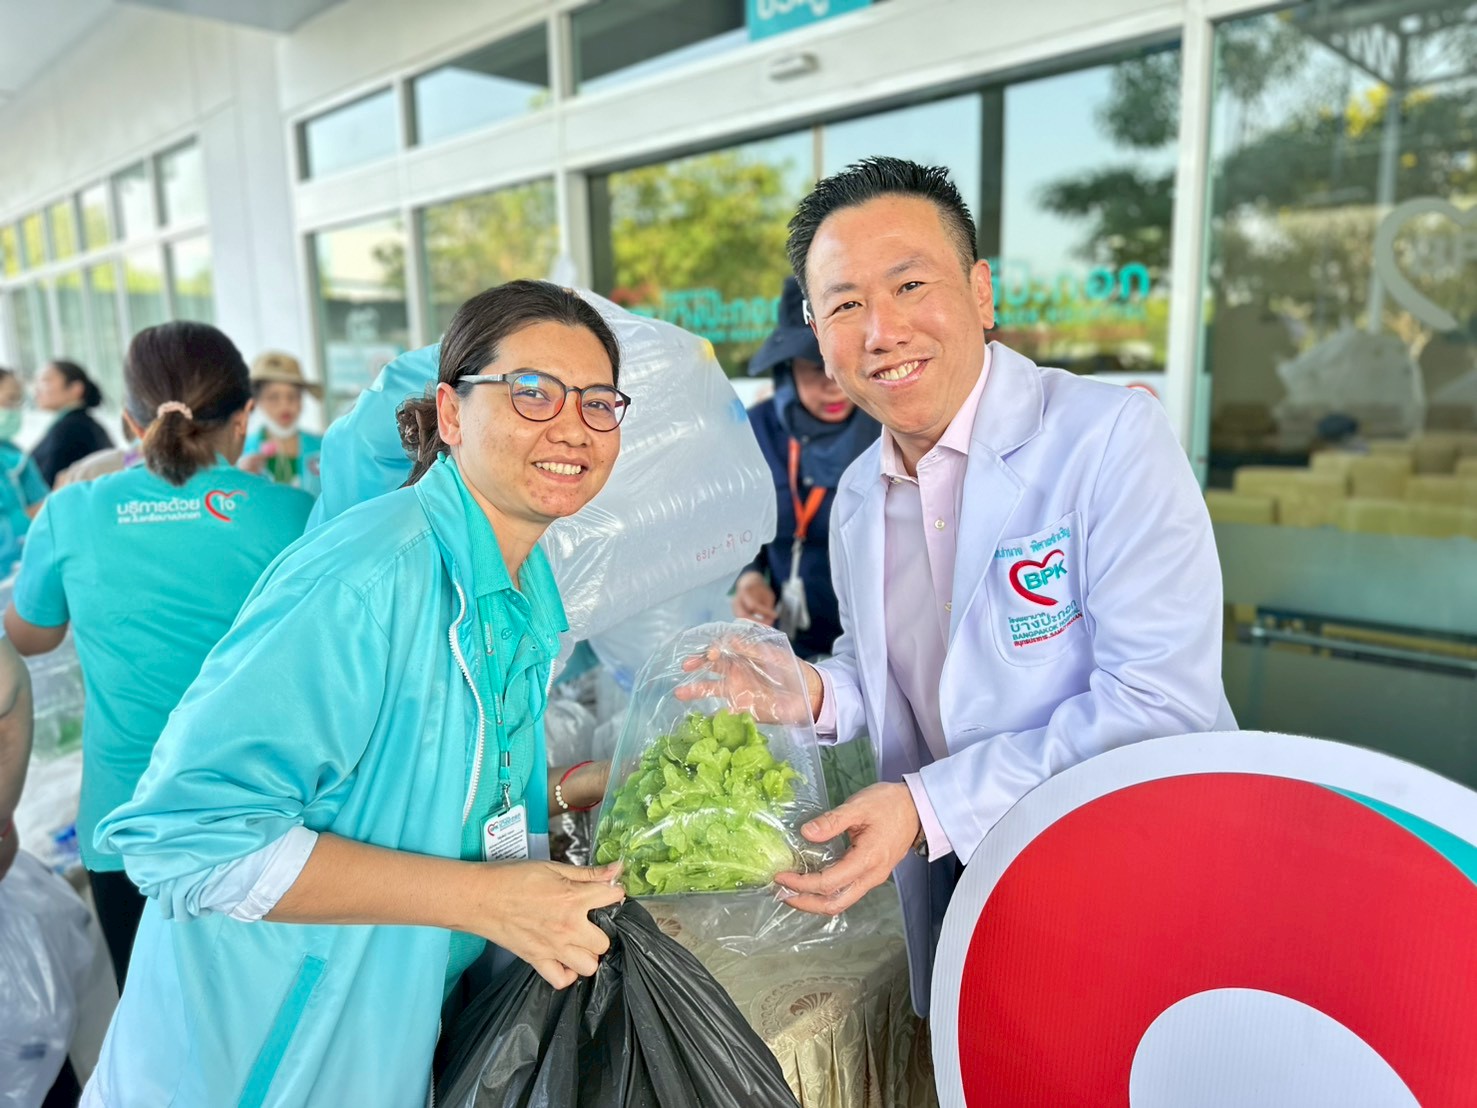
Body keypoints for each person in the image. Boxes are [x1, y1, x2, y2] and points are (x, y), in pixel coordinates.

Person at [684, 157, 1235, 1016]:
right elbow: (892, 668)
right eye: (844, 305)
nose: (882, 331)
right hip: (974, 887)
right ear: (816, 334)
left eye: (910, 285)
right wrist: (815, 692)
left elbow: (1160, 703)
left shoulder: (1107, 439)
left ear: (980, 293)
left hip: (1128, 869)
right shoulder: (858, 496)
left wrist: (925, 804)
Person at [82, 282, 628, 1106]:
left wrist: (563, 791)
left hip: (379, 1045)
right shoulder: (368, 578)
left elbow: (419, 792)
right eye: (531, 391)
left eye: (598, 402)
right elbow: (188, 840)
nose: (571, 426)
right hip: (251, 1066)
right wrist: (487, 900)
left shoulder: (518, 588)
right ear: (451, 413)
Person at [3, 322, 316, 991]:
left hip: (127, 822)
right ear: (243, 418)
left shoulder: (70, 510)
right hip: (270, 821)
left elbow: (30, 638)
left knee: (154, 1030)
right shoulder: (299, 514)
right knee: (276, 1028)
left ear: (128, 422)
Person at [731, 277, 879, 659]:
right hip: (790, 647)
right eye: (815, 367)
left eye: (842, 360)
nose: (833, 383)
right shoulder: (756, 431)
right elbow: (742, 524)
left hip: (881, 647)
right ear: (787, 370)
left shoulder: (893, 429)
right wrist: (749, 577)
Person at [238, 351, 324, 496]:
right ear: (257, 401)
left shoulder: (323, 447)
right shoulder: (242, 452)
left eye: (292, 396)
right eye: (273, 397)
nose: (285, 405)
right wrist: (240, 478)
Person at [28, 360, 114, 487]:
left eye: (46, 381)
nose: (36, 389)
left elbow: (46, 482)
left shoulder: (72, 429)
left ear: (75, 388)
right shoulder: (79, 424)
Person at [0, 368, 49, 573]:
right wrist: (29, 515)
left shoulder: (13, 454)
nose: (15, 409)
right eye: (10, 399)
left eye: (19, 401)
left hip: (24, 569)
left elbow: (43, 503)